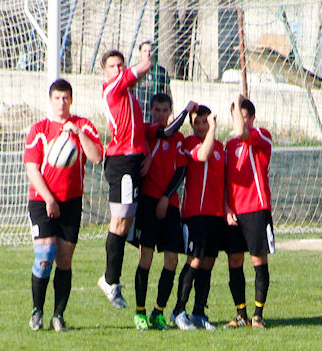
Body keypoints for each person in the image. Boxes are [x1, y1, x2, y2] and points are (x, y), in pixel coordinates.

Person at [24, 78, 103, 331]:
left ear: (72, 100)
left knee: (64, 261)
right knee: (44, 257)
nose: (62, 102)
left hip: (71, 202)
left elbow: (97, 157)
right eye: (57, 98)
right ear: (50, 100)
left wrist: (79, 134)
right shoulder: (39, 130)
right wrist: (49, 199)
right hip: (42, 200)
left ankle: (58, 315)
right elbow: (32, 169)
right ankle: (37, 311)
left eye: (66, 98)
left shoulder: (83, 126)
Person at [132, 94, 196, 330]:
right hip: (148, 203)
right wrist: (186, 110)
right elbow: (166, 132)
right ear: (151, 111)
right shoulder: (149, 131)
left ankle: (158, 312)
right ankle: (140, 312)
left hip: (170, 203)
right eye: (156, 110)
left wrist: (166, 197)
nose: (160, 114)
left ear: (170, 112)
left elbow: (181, 171)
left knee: (172, 259)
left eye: (164, 110)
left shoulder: (179, 139)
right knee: (146, 256)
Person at [97, 48, 152, 310]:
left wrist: (147, 154)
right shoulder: (112, 89)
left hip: (133, 161)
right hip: (122, 163)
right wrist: (146, 55)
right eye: (113, 66)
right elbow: (143, 68)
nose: (118, 70)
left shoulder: (130, 96)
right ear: (105, 72)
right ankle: (110, 280)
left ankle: (111, 279)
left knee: (126, 221)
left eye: (121, 65)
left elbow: (139, 131)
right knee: (119, 222)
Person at [169, 105, 227, 331]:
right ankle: (178, 310)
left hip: (215, 214)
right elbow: (202, 156)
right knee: (193, 261)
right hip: (195, 213)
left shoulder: (220, 147)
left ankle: (199, 312)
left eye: (205, 122)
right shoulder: (189, 143)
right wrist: (213, 128)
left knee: (208, 262)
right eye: (197, 122)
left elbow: (223, 181)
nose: (201, 126)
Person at [223, 95, 275, 329]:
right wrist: (226, 207)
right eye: (237, 117)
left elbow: (241, 132)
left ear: (252, 118)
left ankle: (258, 315)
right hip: (235, 212)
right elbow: (225, 180)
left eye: (244, 117)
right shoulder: (229, 146)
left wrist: (237, 99)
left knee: (257, 260)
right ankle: (241, 314)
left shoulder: (262, 135)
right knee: (234, 260)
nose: (241, 121)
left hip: (256, 208)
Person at [132, 41, 172, 122]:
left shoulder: (160, 71)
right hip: (137, 112)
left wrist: (170, 114)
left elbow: (168, 93)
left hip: (156, 114)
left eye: (150, 51)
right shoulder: (134, 71)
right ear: (140, 53)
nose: (148, 54)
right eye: (145, 51)